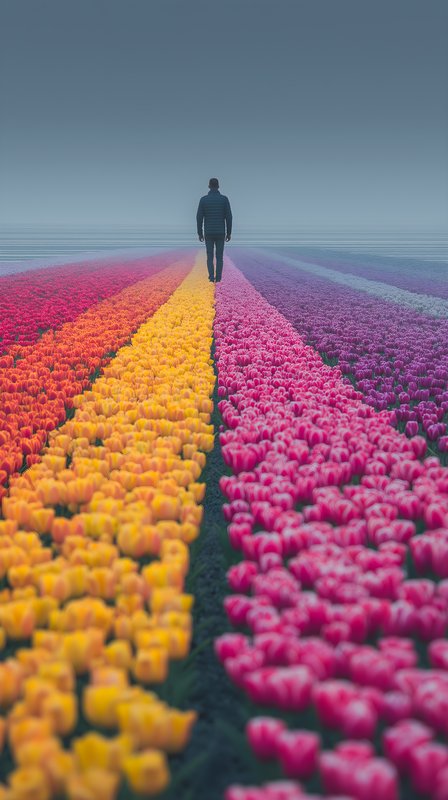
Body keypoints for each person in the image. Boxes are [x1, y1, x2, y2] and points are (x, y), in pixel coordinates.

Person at [196, 178, 232, 282]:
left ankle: (211, 277)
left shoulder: (203, 200)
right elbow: (229, 217)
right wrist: (229, 233)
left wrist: (200, 233)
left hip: (208, 232)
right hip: (220, 232)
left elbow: (199, 217)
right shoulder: (224, 199)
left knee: (209, 255)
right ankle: (219, 278)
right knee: (219, 256)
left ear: (209, 186)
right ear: (218, 186)